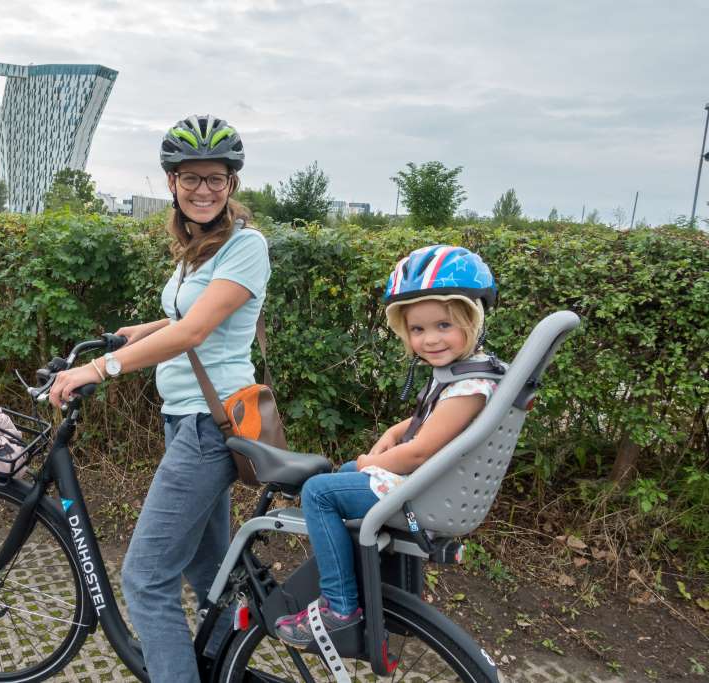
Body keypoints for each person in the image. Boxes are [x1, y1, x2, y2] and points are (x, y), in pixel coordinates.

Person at [47, 114, 270, 682]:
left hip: (209, 424)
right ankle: (224, 671)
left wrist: (104, 366)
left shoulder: (246, 247)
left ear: (231, 184)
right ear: (171, 182)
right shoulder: (197, 249)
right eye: (190, 178)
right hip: (188, 421)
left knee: (146, 580)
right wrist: (128, 335)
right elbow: (181, 318)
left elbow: (195, 333)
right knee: (211, 573)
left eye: (215, 179)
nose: (203, 190)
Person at [274, 245, 499, 648]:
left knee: (318, 493)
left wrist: (369, 462)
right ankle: (363, 577)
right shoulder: (472, 372)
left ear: (474, 319)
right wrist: (395, 433)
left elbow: (419, 452)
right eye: (417, 330)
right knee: (341, 474)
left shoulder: (469, 386)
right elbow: (429, 424)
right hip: (427, 484)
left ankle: (339, 608)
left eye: (443, 325)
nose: (430, 339)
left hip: (422, 491)